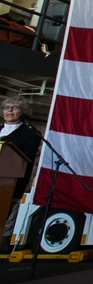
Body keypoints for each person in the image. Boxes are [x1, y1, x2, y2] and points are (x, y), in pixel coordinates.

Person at [1, 95, 42, 242]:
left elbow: (27, 163)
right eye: (6, 107)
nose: (10, 110)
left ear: (23, 112)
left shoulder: (30, 134)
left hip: (10, 184)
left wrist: (20, 190)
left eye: (15, 107)